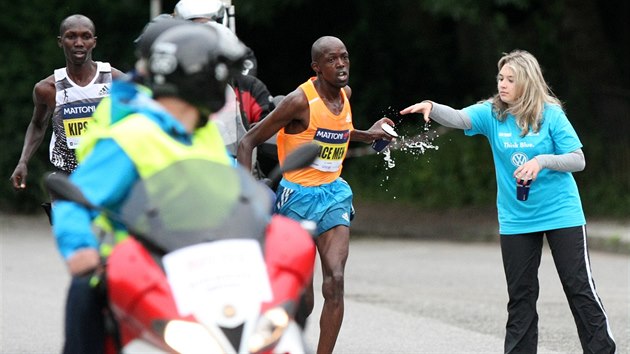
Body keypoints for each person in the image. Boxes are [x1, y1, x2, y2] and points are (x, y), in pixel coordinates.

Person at [400, 49, 616, 354]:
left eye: (511, 79)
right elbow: (460, 118)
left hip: (561, 213)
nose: (503, 84)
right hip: (516, 218)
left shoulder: (551, 115)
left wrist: (542, 161)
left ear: (527, 83)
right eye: (501, 77)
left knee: (579, 289)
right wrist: (432, 107)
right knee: (520, 296)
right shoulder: (492, 113)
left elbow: (578, 160)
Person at [51, 22, 247, 353]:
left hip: (202, 272)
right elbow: (79, 197)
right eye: (219, 74)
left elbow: (235, 191)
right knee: (85, 294)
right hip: (136, 275)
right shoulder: (132, 132)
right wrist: (80, 249)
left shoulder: (206, 133)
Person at [237, 35, 395, 354]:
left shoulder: (346, 95)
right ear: (317, 67)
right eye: (332, 60)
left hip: (333, 195)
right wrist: (244, 196)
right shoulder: (298, 101)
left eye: (344, 58)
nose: (340, 65)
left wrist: (370, 135)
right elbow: (247, 142)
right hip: (296, 198)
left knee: (335, 281)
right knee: (304, 301)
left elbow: (339, 131)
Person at [10, 14, 124, 203]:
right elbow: (38, 125)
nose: (79, 42)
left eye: (85, 36)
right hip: (66, 175)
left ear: (94, 42)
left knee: (104, 231)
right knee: (70, 231)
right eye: (71, 36)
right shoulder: (47, 88)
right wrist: (23, 161)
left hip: (106, 171)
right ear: (60, 41)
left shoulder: (115, 80)